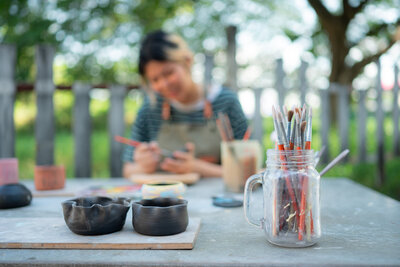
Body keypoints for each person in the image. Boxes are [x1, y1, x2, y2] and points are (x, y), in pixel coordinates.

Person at [122, 30, 248, 178]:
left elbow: (248, 171)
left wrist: (195, 167)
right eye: (155, 80)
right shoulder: (151, 108)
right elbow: (128, 169)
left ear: (187, 61)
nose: (164, 84)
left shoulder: (225, 102)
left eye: (168, 73)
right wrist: (143, 166)